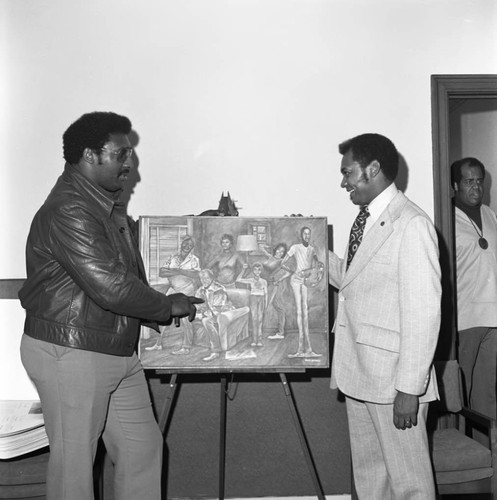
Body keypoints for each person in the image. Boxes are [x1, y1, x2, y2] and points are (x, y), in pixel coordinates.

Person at [18, 111, 203, 500]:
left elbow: (123, 271)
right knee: (75, 472)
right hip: (72, 351)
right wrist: (168, 306)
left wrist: (202, 226)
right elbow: (111, 287)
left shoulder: (103, 205)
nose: (129, 162)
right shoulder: (70, 209)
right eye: (121, 153)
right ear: (90, 154)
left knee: (142, 450)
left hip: (112, 347)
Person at [328, 133, 441, 499]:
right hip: (360, 375)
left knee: (410, 484)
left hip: (394, 383)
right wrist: (313, 247)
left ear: (372, 169)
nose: (343, 181)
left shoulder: (412, 224)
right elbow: (354, 278)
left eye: (348, 172)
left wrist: (409, 389)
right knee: (371, 480)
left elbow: (424, 313)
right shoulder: (367, 220)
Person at [451, 157, 497, 434]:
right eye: (469, 181)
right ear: (456, 185)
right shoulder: (447, 218)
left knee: (487, 393)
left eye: (479, 181)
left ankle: (488, 460)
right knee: (460, 393)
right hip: (465, 318)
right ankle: (461, 449)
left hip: (493, 318)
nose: (476, 187)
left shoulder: (491, 215)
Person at [145, 235, 200, 353]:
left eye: (190, 245)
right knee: (164, 313)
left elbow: (195, 274)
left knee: (185, 318)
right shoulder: (173, 257)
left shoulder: (194, 259)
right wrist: (182, 272)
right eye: (186, 244)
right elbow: (161, 272)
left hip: (187, 289)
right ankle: (159, 343)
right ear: (182, 244)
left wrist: (176, 271)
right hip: (173, 288)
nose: (187, 246)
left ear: (192, 248)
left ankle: (186, 347)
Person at [195, 269, 249, 361]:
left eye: (206, 278)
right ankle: (216, 351)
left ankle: (221, 349)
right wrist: (198, 312)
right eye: (202, 278)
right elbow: (197, 304)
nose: (204, 280)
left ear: (212, 279)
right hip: (214, 314)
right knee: (205, 321)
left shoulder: (219, 289)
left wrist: (202, 313)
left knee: (216, 318)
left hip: (225, 312)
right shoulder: (201, 290)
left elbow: (217, 309)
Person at [282, 226, 321, 357]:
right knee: (299, 311)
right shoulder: (295, 247)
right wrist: (293, 271)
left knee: (305, 312)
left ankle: (309, 349)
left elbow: (316, 264)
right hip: (296, 280)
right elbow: (283, 262)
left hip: (306, 280)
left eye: (308, 234)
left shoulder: (312, 249)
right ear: (301, 235)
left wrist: (314, 273)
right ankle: (300, 349)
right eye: (304, 234)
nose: (307, 236)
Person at [260, 243, 292, 339]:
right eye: (278, 250)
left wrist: (279, 279)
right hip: (266, 284)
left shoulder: (281, 261)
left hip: (274, 286)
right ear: (275, 250)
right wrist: (265, 246)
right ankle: (261, 332)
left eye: (282, 252)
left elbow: (289, 272)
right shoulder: (270, 257)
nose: (280, 252)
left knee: (271, 307)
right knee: (276, 307)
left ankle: (280, 332)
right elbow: (260, 247)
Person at [236, 262, 268, 346]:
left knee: (260, 319)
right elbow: (238, 279)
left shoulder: (264, 281)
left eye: (259, 270)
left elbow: (266, 294)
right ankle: (254, 340)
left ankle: (259, 340)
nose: (257, 271)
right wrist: (243, 269)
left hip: (261, 299)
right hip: (253, 298)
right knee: (254, 319)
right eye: (255, 270)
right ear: (253, 271)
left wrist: (266, 304)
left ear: (261, 271)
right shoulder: (251, 280)